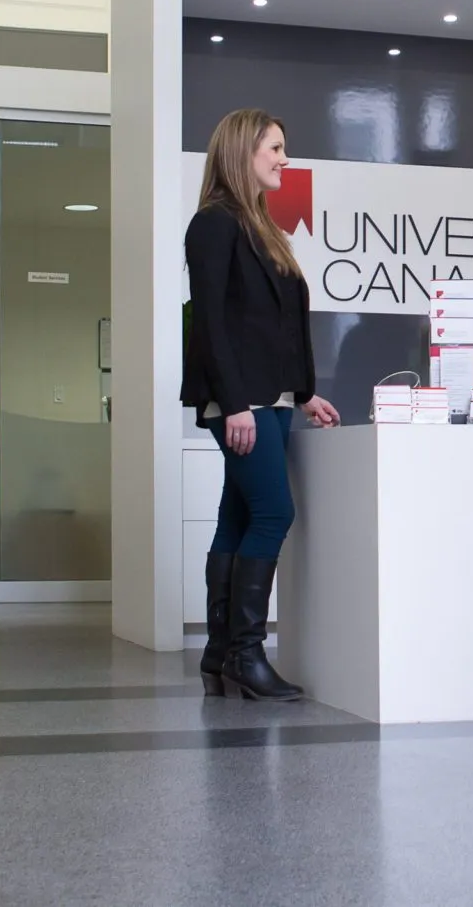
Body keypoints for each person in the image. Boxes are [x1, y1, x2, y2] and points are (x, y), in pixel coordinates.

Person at [183, 108, 341, 701]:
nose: (283, 159)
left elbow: (271, 325)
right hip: (241, 402)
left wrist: (301, 393)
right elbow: (213, 324)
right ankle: (247, 655)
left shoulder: (260, 226)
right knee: (275, 513)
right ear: (242, 150)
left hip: (267, 400)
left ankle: (220, 654)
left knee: (241, 516)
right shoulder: (214, 224)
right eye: (274, 148)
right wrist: (236, 402)